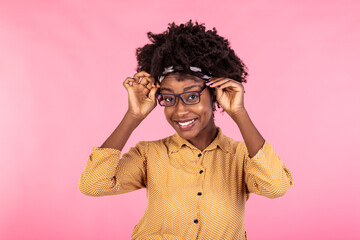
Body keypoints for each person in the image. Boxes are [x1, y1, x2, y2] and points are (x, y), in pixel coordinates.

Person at [78, 20, 294, 240]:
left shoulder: (240, 157)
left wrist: (238, 112)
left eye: (192, 96)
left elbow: (276, 187)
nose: (180, 110)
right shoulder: (149, 155)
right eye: (169, 98)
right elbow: (93, 184)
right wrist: (133, 116)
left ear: (214, 95)